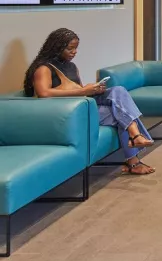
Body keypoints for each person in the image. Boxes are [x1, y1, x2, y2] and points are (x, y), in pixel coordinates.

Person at [24, 28, 155, 176]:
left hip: (81, 104)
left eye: (76, 48)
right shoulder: (44, 68)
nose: (74, 52)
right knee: (120, 115)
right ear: (56, 47)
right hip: (67, 114)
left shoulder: (71, 66)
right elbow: (44, 93)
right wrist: (83, 91)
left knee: (118, 90)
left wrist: (92, 89)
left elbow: (78, 90)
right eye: (70, 48)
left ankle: (135, 138)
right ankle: (135, 147)